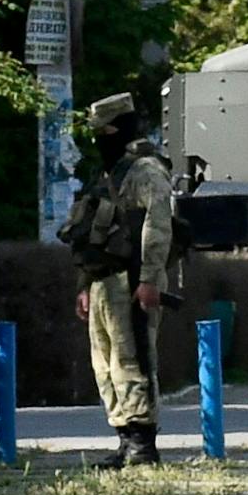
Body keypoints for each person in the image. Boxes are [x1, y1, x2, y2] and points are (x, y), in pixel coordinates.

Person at [60, 92, 174, 468]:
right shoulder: (107, 173)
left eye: (104, 131)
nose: (98, 139)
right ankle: (125, 438)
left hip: (130, 280)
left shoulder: (146, 171)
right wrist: (84, 284)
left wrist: (150, 278)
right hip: (102, 281)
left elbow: (157, 226)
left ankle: (143, 443)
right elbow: (91, 231)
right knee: (105, 365)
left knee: (133, 360)